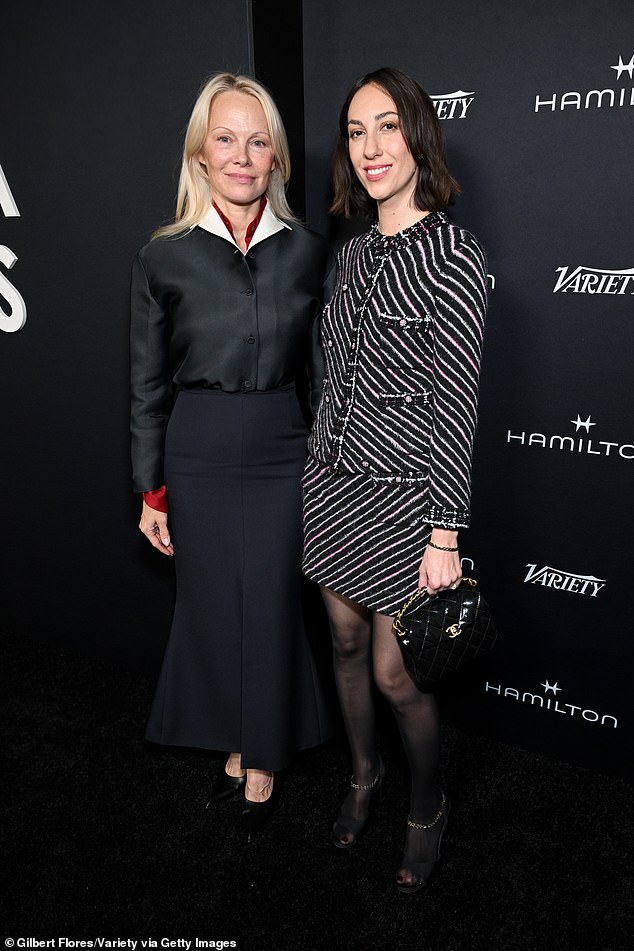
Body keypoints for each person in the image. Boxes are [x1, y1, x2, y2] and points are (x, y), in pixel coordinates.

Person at [130, 72, 333, 836]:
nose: (242, 155)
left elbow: (324, 376)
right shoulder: (163, 258)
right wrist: (151, 489)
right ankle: (235, 731)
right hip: (200, 448)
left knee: (275, 601)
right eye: (226, 138)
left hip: (285, 445)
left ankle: (264, 748)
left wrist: (329, 467)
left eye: (258, 141)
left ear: (276, 157)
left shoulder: (311, 250)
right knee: (213, 601)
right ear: (200, 153)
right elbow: (146, 385)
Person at [302, 67, 488, 891]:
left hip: (406, 505)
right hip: (332, 489)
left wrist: (444, 533)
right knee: (341, 645)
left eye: (385, 127)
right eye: (354, 131)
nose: (370, 148)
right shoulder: (345, 256)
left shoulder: (454, 252)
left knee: (392, 671)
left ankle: (426, 803)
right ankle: (364, 774)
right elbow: (330, 373)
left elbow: (457, 402)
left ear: (417, 133)